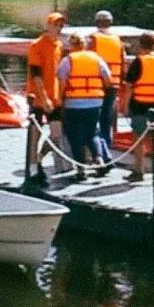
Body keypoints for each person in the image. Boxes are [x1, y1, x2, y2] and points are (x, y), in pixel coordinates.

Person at [57, 33, 112, 177]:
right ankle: (99, 159)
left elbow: (62, 84)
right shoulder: (96, 59)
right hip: (95, 102)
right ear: (85, 44)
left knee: (75, 136)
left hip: (73, 103)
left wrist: (60, 100)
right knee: (92, 132)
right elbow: (108, 79)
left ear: (71, 45)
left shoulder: (67, 61)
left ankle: (80, 169)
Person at [24, 12, 67, 187]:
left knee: (56, 134)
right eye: (55, 24)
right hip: (38, 97)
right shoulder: (36, 46)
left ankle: (40, 158)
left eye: (61, 25)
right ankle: (33, 167)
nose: (58, 27)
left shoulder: (59, 45)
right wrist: (44, 97)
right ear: (48, 25)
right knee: (35, 132)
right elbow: (36, 75)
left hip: (55, 96)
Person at [124, 32, 154, 182]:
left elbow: (129, 85)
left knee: (139, 137)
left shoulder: (139, 61)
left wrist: (125, 105)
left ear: (140, 44)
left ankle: (139, 171)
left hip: (140, 104)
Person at [91, 10, 126, 151]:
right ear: (111, 22)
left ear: (96, 22)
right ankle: (108, 147)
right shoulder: (118, 41)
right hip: (113, 83)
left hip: (96, 84)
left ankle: (97, 149)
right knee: (107, 117)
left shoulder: (93, 39)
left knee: (93, 118)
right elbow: (123, 61)